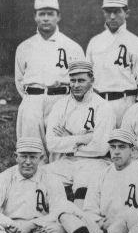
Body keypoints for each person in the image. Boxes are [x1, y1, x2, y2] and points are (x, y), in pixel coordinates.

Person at [53, 129, 138, 233]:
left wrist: (117, 221)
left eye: (122, 147)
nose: (116, 151)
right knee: (65, 211)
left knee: (131, 217)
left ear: (132, 150)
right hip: (102, 230)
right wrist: (101, 222)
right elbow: (90, 210)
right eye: (113, 147)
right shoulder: (101, 175)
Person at [15, 0, 84, 151]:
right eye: (42, 14)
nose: (46, 18)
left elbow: (82, 79)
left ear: (58, 16)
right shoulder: (25, 47)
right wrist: (31, 99)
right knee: (32, 150)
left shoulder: (72, 47)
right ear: (35, 16)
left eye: (50, 14)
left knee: (59, 151)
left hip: (61, 101)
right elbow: (19, 80)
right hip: (32, 102)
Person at [45, 60, 116, 208]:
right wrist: (85, 138)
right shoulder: (60, 105)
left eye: (81, 80)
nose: (76, 85)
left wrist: (68, 141)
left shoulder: (103, 107)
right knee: (40, 177)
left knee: (82, 196)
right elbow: (51, 143)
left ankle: (80, 218)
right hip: (67, 161)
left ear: (92, 80)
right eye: (73, 80)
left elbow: (101, 148)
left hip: (95, 162)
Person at [86, 0, 138, 124]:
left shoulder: (136, 43)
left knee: (124, 137)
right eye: (108, 11)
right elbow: (87, 77)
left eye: (117, 11)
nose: (112, 16)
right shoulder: (95, 42)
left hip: (125, 102)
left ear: (126, 13)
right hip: (98, 102)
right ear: (103, 13)